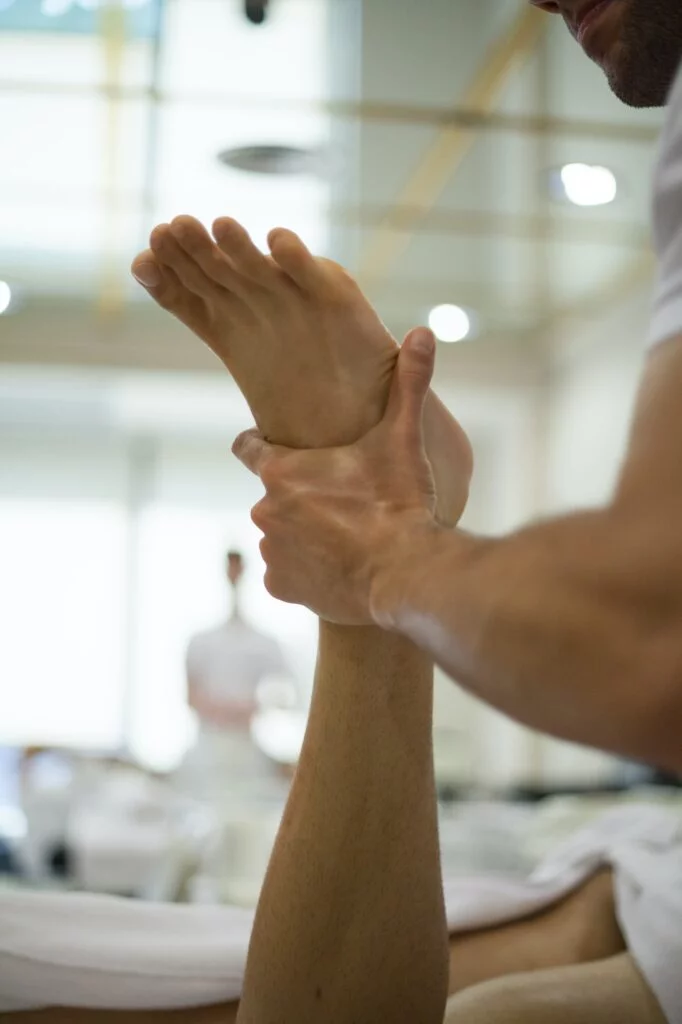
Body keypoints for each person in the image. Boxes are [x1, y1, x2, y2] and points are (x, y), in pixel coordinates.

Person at [181, 550, 288, 809]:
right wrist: (215, 709)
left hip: (247, 755)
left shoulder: (264, 642)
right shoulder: (200, 641)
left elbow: (283, 693)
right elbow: (189, 694)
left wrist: (250, 708)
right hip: (206, 752)